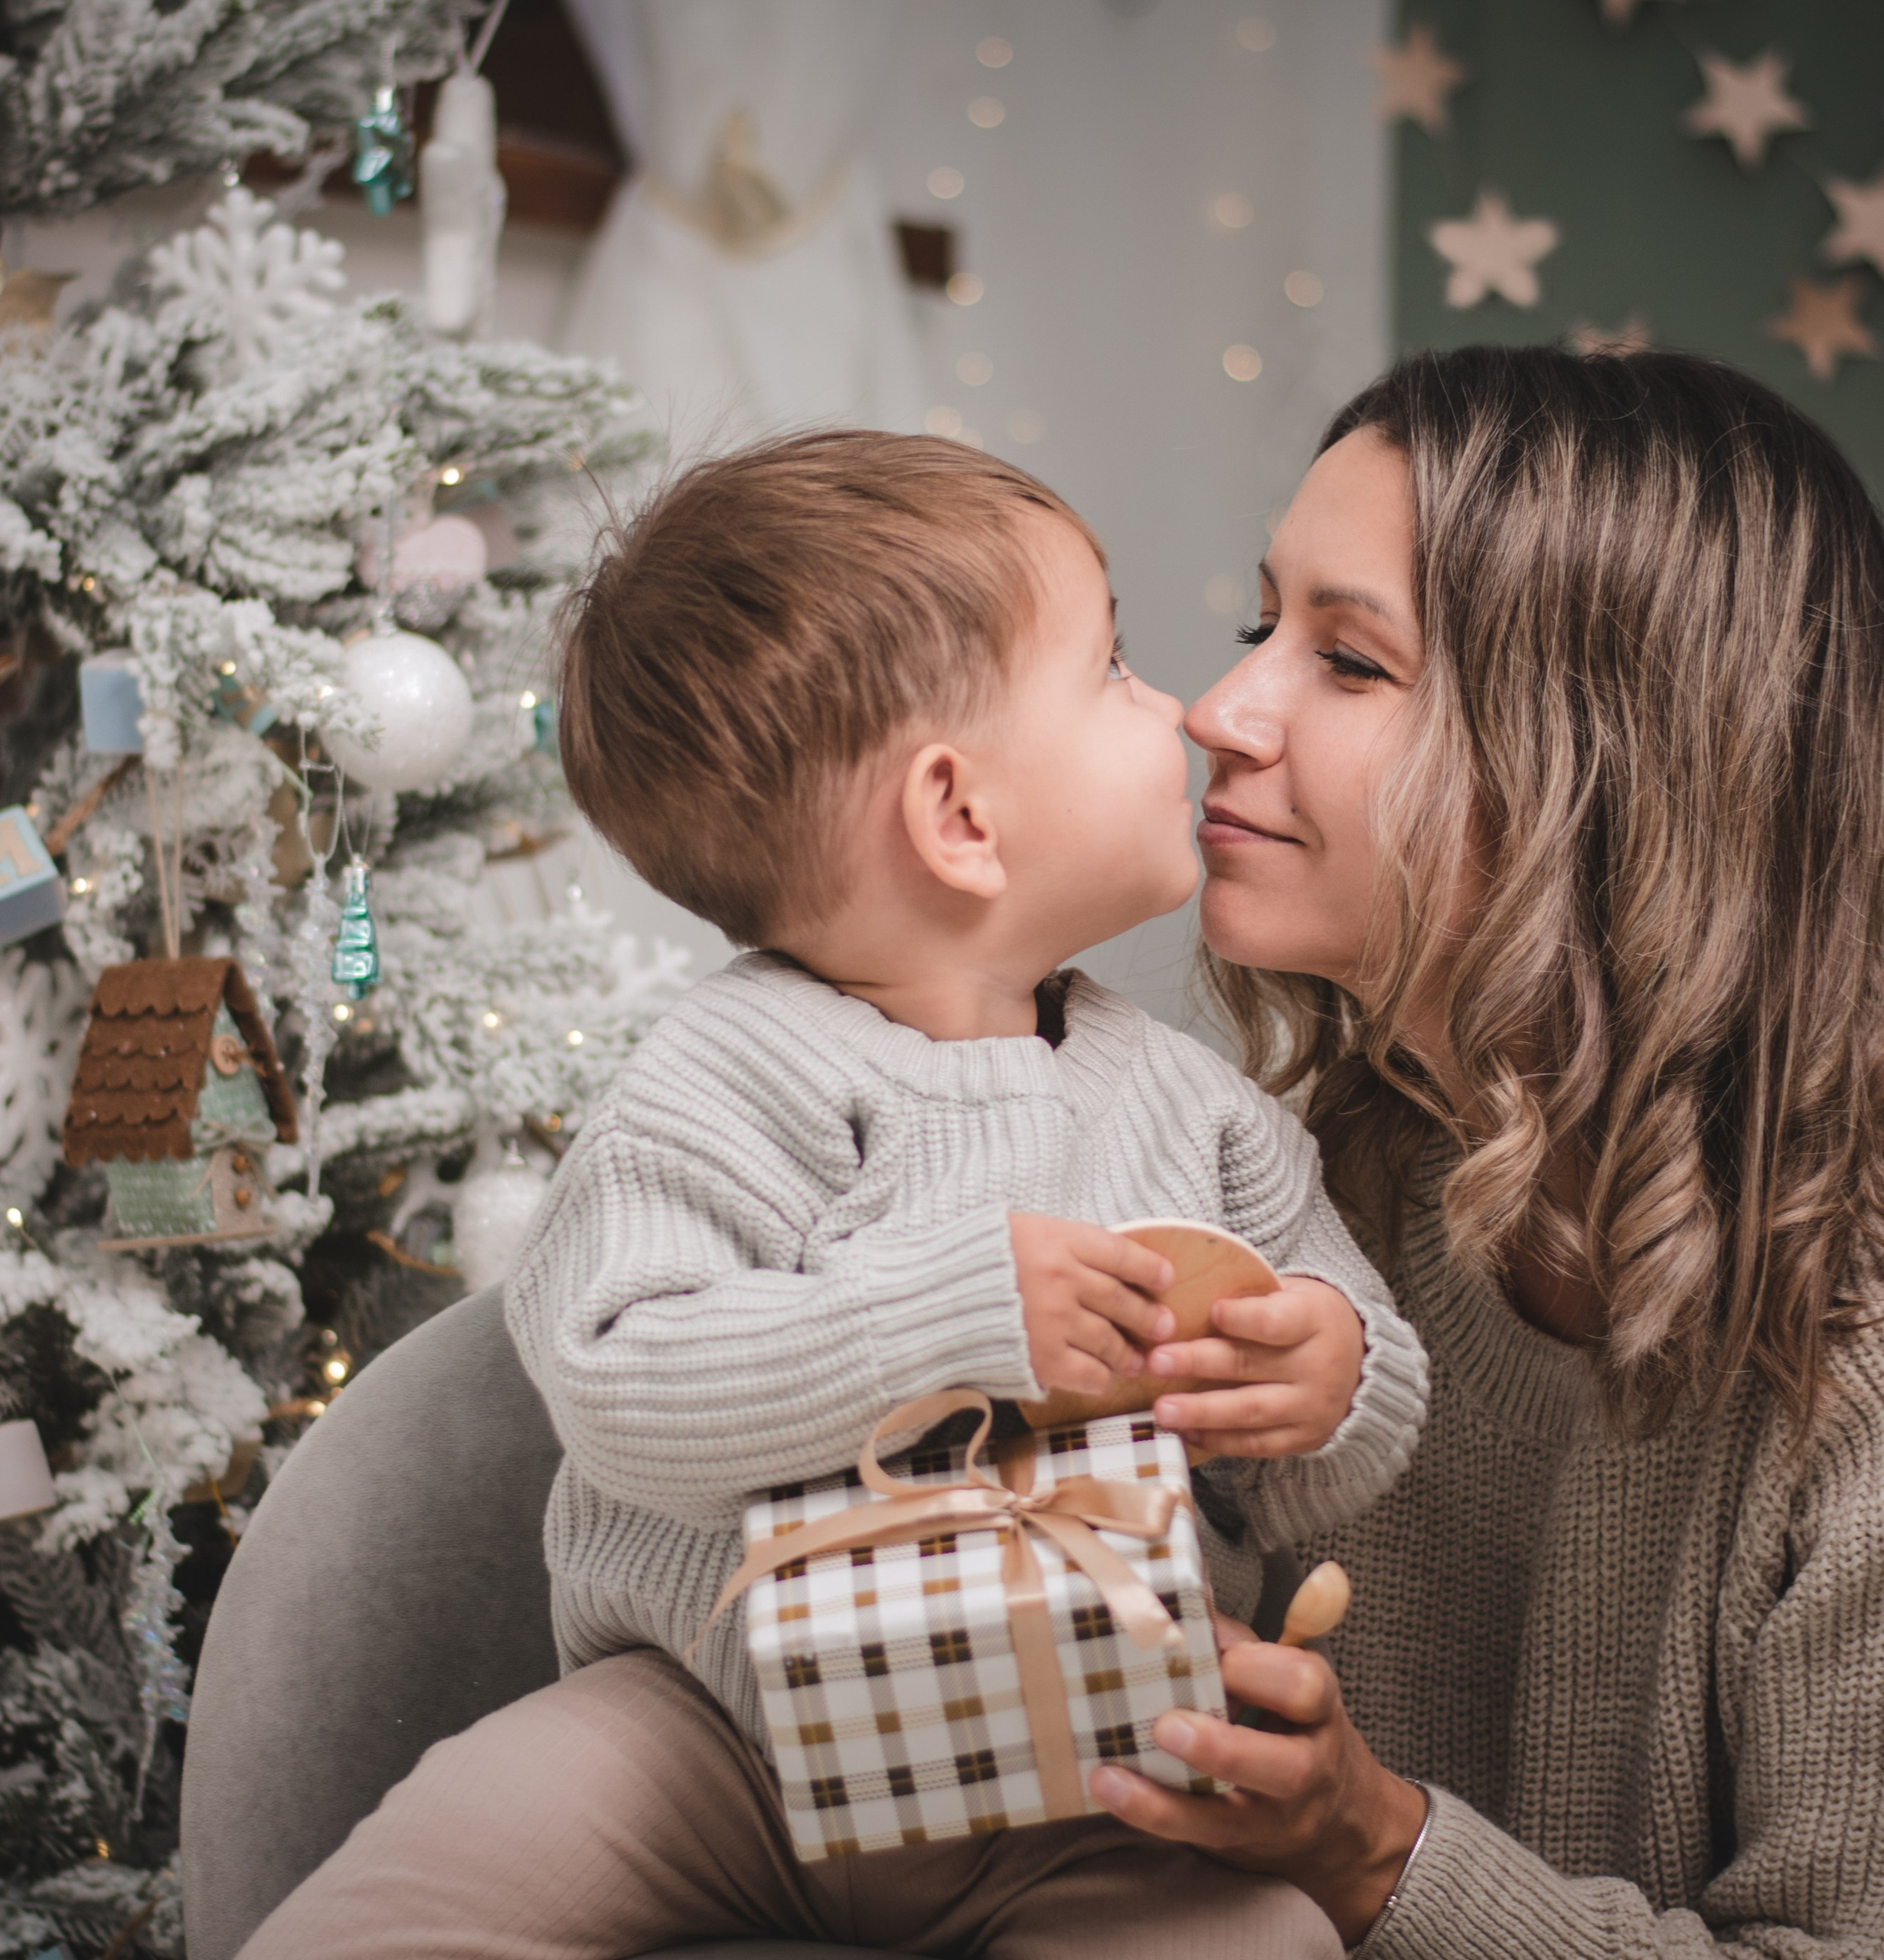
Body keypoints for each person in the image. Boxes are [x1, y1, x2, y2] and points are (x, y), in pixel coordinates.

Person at [237, 432, 1429, 1959]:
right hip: (707, 1741)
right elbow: (615, 1378)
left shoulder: (1199, 1113)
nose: (1177, 705)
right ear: (960, 819)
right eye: (1112, 667)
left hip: (1082, 1782)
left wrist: (1323, 1369)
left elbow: (1346, 1443)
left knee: (1267, 1940)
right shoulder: (723, 1073)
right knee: (390, 1905)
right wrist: (951, 1318)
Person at [1087, 346, 1884, 1957]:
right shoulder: (1321, 1197)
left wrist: (1374, 1852)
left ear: (1613, 760)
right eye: (1262, 627)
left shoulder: (1841, 1366)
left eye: (1349, 662)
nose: (1218, 709)